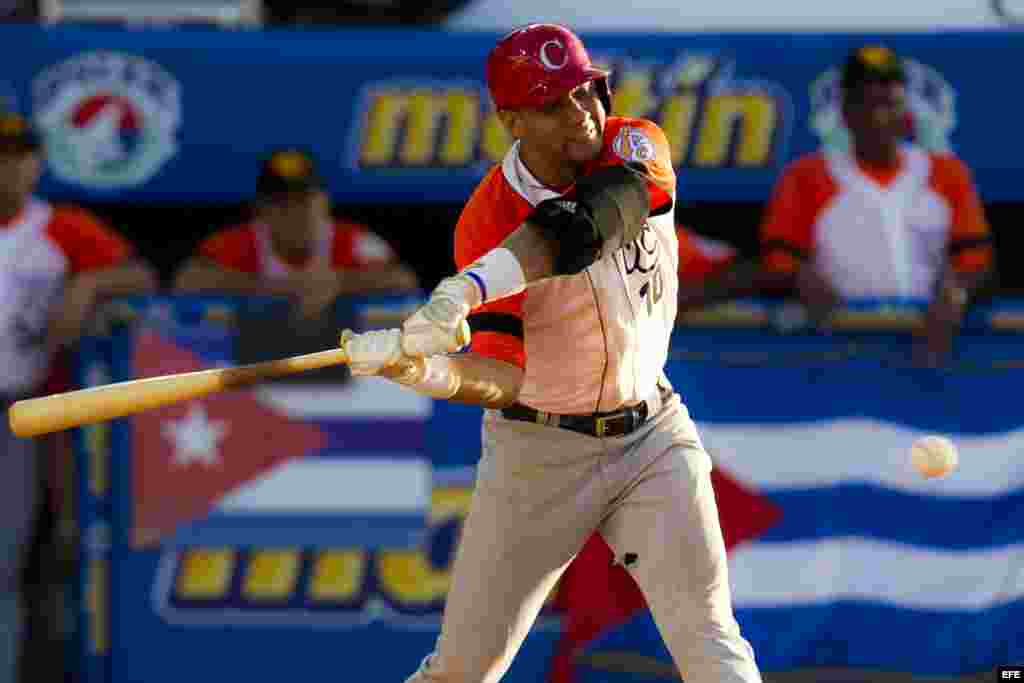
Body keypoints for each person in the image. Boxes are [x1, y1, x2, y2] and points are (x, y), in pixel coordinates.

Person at [339, 24, 762, 683]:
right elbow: (502, 378)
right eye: (552, 104)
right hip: (538, 453)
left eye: (586, 92)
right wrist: (421, 370)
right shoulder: (486, 219)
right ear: (511, 121)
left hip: (651, 434)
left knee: (709, 635)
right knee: (464, 669)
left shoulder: (634, 144)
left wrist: (466, 288)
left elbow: (583, 227)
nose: (581, 113)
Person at [0, 111, 157, 683]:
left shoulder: (59, 226)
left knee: (14, 557)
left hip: (23, 406)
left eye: (19, 155)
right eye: (0, 155)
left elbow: (142, 277)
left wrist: (89, 282)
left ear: (36, 163)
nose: (8, 167)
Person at [760, 45, 995, 364]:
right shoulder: (806, 176)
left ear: (905, 112)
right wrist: (801, 278)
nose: (878, 117)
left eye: (888, 104)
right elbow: (777, 259)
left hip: (927, 344)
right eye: (865, 104)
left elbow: (977, 260)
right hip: (840, 345)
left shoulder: (947, 173)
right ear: (846, 112)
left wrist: (957, 291)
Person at [173, 148, 419, 316]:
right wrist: (276, 287)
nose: (293, 213)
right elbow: (187, 281)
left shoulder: (351, 240)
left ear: (324, 202)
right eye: (281, 203)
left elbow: (403, 280)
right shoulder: (241, 241)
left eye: (302, 201)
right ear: (260, 208)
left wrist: (338, 283)